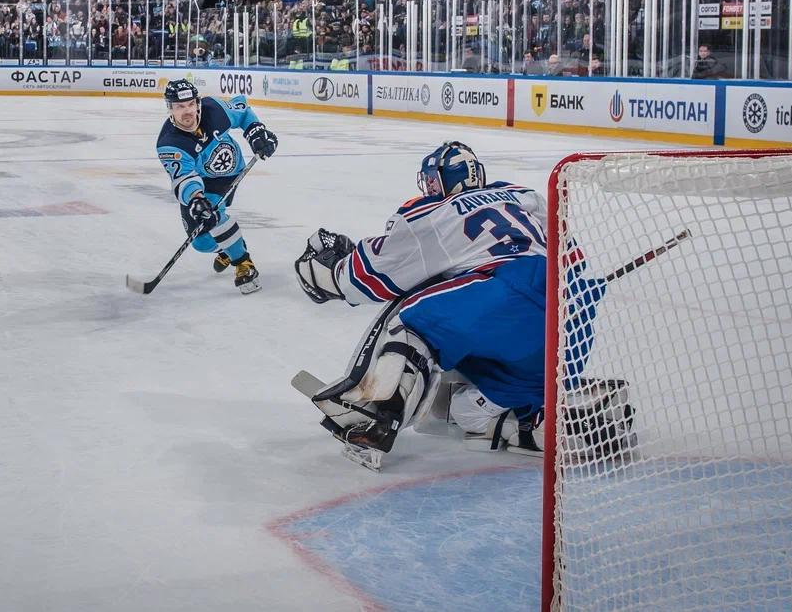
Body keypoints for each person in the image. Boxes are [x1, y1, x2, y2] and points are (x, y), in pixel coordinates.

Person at [293, 141, 616, 467]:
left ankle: (375, 415)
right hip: (571, 323)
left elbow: (368, 277)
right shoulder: (523, 196)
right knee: (466, 410)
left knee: (412, 316)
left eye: (433, 180)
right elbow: (573, 257)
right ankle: (533, 424)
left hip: (509, 297)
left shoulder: (436, 213)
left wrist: (328, 271)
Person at [156, 79, 278, 294]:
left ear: (197, 103)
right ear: (170, 109)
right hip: (200, 181)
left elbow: (242, 111)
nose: (187, 112)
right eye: (180, 107)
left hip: (229, 172)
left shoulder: (214, 109)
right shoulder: (170, 142)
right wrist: (196, 199)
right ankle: (228, 248)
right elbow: (184, 177)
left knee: (214, 215)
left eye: (191, 104)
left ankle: (243, 263)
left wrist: (256, 132)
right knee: (201, 243)